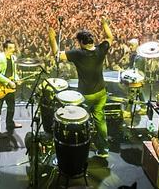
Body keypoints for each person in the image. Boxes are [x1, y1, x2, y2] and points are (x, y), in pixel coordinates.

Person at [48, 17, 114, 158]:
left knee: (80, 121)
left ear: (82, 42)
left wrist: (52, 38)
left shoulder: (78, 53)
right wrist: (104, 23)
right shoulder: (101, 49)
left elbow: (57, 54)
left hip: (86, 94)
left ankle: (80, 148)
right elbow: (110, 36)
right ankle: (104, 150)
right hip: (101, 92)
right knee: (100, 120)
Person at [0, 39, 22, 139]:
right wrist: (9, 82)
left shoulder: (13, 58)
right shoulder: (0, 58)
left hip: (9, 87)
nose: (13, 50)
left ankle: (10, 123)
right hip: (0, 86)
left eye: (13, 47)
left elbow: (14, 73)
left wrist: (17, 79)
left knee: (11, 106)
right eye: (10, 48)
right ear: (5, 49)